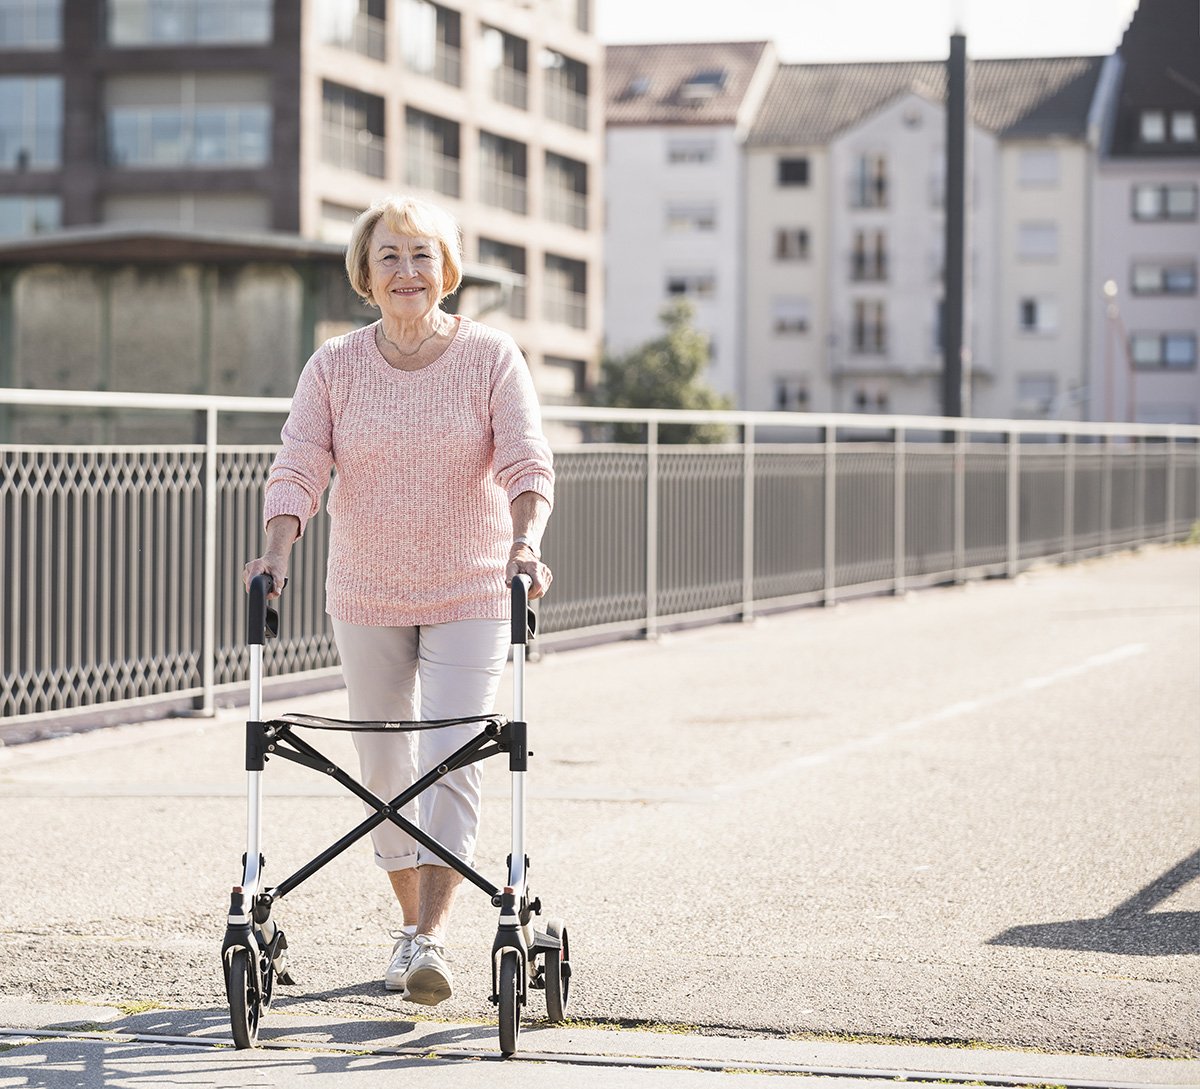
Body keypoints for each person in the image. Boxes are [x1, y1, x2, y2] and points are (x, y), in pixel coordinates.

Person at [242, 194, 554, 1008]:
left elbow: (527, 460)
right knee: (384, 767)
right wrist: (275, 551)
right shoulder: (334, 366)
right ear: (366, 274)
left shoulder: (490, 356)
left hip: (471, 586)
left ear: (446, 270)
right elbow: (299, 464)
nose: (407, 270)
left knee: (451, 750)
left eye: (423, 255)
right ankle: (411, 923)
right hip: (367, 589)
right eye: (390, 255)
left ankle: (431, 937)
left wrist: (526, 541)